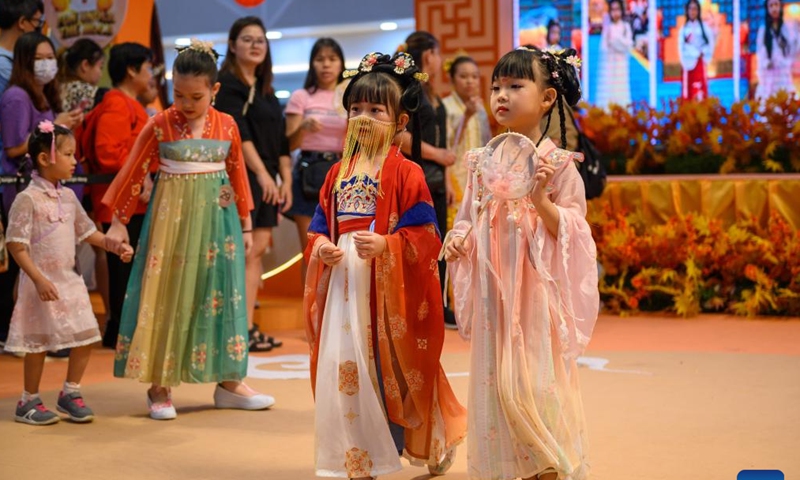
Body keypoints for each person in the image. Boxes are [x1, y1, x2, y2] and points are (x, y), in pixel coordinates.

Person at [303, 51, 467, 479]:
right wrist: (321, 247)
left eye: (376, 110)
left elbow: (425, 235)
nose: (364, 117)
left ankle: (427, 441)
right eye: (356, 108)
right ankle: (361, 455)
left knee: (392, 364)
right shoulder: (336, 172)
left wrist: (390, 244)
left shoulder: (407, 173)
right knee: (348, 367)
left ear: (400, 123)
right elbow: (319, 226)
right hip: (345, 284)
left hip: (385, 289)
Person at [445, 47, 599, 480]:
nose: (501, 96)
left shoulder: (559, 164)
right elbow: (467, 220)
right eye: (496, 87)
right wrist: (458, 242)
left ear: (548, 97)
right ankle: (504, 466)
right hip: (495, 295)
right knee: (496, 382)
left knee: (533, 379)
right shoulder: (480, 163)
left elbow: (573, 233)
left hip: (534, 299)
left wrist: (539, 199)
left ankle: (548, 462)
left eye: (516, 86)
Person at [103, 39, 275, 420]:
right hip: (172, 223)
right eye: (178, 94)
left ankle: (229, 382)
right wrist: (119, 221)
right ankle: (159, 386)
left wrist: (246, 226)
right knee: (167, 292)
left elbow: (237, 175)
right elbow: (133, 169)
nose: (185, 103)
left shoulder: (227, 124)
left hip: (220, 221)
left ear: (214, 90)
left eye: (195, 96)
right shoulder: (161, 122)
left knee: (221, 292)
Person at [4, 120, 132, 425]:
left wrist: (114, 246)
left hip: (68, 279)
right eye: (69, 154)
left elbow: (88, 233)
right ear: (45, 159)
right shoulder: (27, 199)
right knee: (39, 343)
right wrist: (37, 279)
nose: (76, 161)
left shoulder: (69, 197)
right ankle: (28, 400)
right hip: (41, 282)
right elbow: (16, 245)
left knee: (86, 334)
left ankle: (70, 393)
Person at [0, 32, 82, 352]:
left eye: (51, 57)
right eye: (40, 58)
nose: (48, 64)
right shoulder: (17, 97)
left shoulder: (44, 95)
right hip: (22, 189)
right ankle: (30, 334)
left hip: (47, 188)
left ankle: (47, 333)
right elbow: (14, 147)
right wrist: (54, 126)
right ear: (24, 61)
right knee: (33, 263)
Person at [215, 16, 291, 353]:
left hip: (268, 179)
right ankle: (236, 329)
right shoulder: (227, 85)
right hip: (242, 177)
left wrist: (284, 178)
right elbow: (238, 133)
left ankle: (245, 327)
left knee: (257, 251)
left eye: (260, 39)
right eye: (247, 39)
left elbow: (282, 142)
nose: (256, 44)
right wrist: (261, 174)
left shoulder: (266, 90)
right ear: (232, 46)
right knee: (242, 251)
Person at [84, 42, 154, 348]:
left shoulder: (126, 103)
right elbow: (107, 153)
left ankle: (121, 331)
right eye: (148, 67)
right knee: (124, 267)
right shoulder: (116, 103)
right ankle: (119, 332)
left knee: (127, 267)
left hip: (131, 201)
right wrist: (143, 174)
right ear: (131, 70)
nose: (151, 75)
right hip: (123, 204)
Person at [401, 30, 459, 328]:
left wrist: (447, 179)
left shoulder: (430, 91)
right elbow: (402, 137)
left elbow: (444, 142)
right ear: (428, 56)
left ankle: (438, 304)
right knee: (418, 247)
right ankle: (419, 308)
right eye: (438, 53)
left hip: (436, 179)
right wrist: (437, 155)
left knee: (439, 245)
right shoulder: (410, 89)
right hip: (418, 178)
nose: (440, 60)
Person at [284, 37, 347, 263]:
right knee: (311, 251)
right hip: (307, 175)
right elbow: (288, 144)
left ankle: (337, 299)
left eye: (332, 59)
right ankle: (309, 300)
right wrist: (303, 127)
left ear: (341, 64)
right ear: (312, 65)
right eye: (320, 59)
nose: (326, 65)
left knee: (342, 247)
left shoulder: (350, 97)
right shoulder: (301, 97)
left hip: (342, 174)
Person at [441, 53, 491, 223]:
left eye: (474, 76)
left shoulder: (481, 108)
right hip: (456, 174)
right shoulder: (445, 107)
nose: (470, 81)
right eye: (463, 76)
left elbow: (487, 144)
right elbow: (446, 145)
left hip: (479, 174)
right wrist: (467, 116)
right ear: (452, 79)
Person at [755, 0, 799, 99]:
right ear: (767, 9)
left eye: (776, 5)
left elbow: (794, 50)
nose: (774, 9)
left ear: (780, 7)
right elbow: (761, 56)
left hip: (784, 76)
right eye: (771, 6)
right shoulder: (763, 31)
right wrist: (767, 63)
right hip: (769, 79)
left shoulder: (787, 29)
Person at [0, 0, 44, 94]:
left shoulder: (16, 60)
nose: (39, 28)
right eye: (37, 21)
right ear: (22, 22)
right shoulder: (5, 67)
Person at [595, 0, 633, 108]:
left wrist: (616, 41)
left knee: (621, 90)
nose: (615, 13)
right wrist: (614, 42)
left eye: (618, 10)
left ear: (622, 11)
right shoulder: (608, 28)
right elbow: (604, 47)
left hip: (621, 66)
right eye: (613, 10)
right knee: (609, 90)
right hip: (610, 65)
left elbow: (628, 45)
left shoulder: (625, 26)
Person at [679, 0, 715, 101]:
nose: (692, 12)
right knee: (688, 93)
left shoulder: (704, 28)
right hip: (687, 65)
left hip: (700, 64)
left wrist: (703, 53)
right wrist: (694, 53)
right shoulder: (684, 29)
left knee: (700, 91)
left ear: (698, 11)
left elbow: (710, 43)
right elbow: (682, 48)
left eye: (694, 9)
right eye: (690, 9)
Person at [58, 38, 105, 113]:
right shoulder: (92, 94)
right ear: (85, 65)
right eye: (100, 67)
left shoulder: (56, 88)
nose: (101, 74)